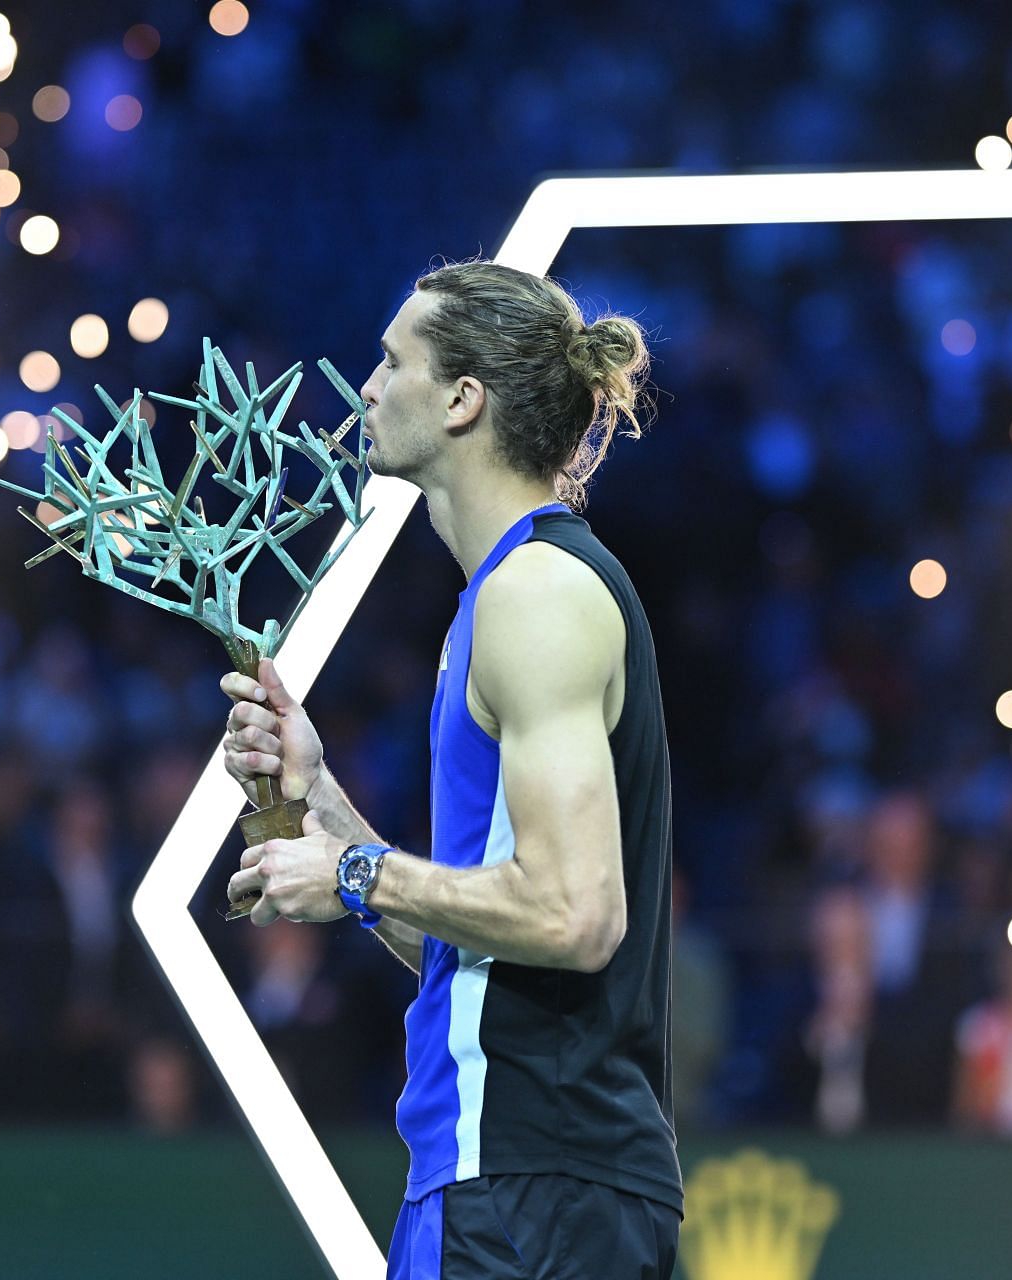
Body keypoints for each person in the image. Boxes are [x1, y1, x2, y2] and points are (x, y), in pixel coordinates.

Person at [220, 260, 679, 1278]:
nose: (369, 388)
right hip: (500, 1182)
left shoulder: (536, 593)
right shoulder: (503, 597)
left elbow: (574, 914)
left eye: (393, 361)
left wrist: (352, 875)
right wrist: (322, 803)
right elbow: (494, 944)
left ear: (464, 399)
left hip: (534, 1190)